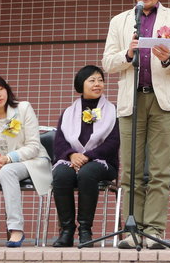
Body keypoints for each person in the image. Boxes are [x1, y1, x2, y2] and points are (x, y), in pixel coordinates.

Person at [102, 0, 170, 249]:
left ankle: (154, 230)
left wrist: (167, 58)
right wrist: (128, 53)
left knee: (160, 170)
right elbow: (107, 62)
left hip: (163, 101)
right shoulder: (120, 21)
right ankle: (132, 229)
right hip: (132, 100)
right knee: (130, 169)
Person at [0, 73, 51, 247]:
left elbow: (33, 146)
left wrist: (8, 159)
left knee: (8, 171)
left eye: (1, 89)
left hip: (31, 161)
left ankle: (16, 229)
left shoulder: (23, 108)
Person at [51, 65, 120, 248]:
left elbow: (113, 142)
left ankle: (85, 230)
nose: (97, 84)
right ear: (81, 85)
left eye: (100, 80)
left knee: (87, 173)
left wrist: (88, 156)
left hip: (103, 163)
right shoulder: (68, 112)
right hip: (71, 160)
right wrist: (72, 155)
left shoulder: (113, 111)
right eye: (92, 80)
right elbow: (59, 142)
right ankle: (66, 231)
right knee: (61, 174)